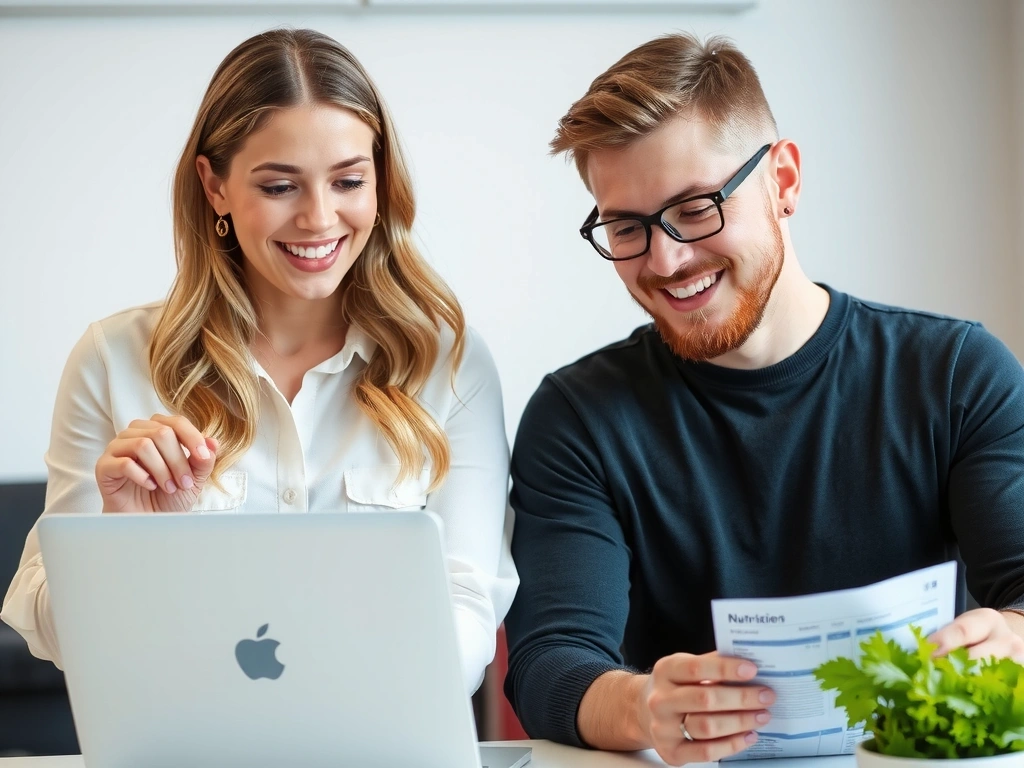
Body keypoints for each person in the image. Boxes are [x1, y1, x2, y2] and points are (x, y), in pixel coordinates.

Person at [503, 32, 1024, 765]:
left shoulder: (956, 376)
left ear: (782, 180)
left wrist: (1014, 639)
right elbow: (551, 663)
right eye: (627, 227)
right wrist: (642, 705)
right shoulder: (578, 417)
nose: (666, 260)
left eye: (695, 208)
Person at [1, 28, 516, 696]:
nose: (319, 218)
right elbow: (52, 636)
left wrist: (363, 697)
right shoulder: (112, 360)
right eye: (280, 186)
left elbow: (468, 607)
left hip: (378, 738)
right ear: (213, 186)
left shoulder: (451, 365)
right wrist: (120, 537)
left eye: (349, 181)